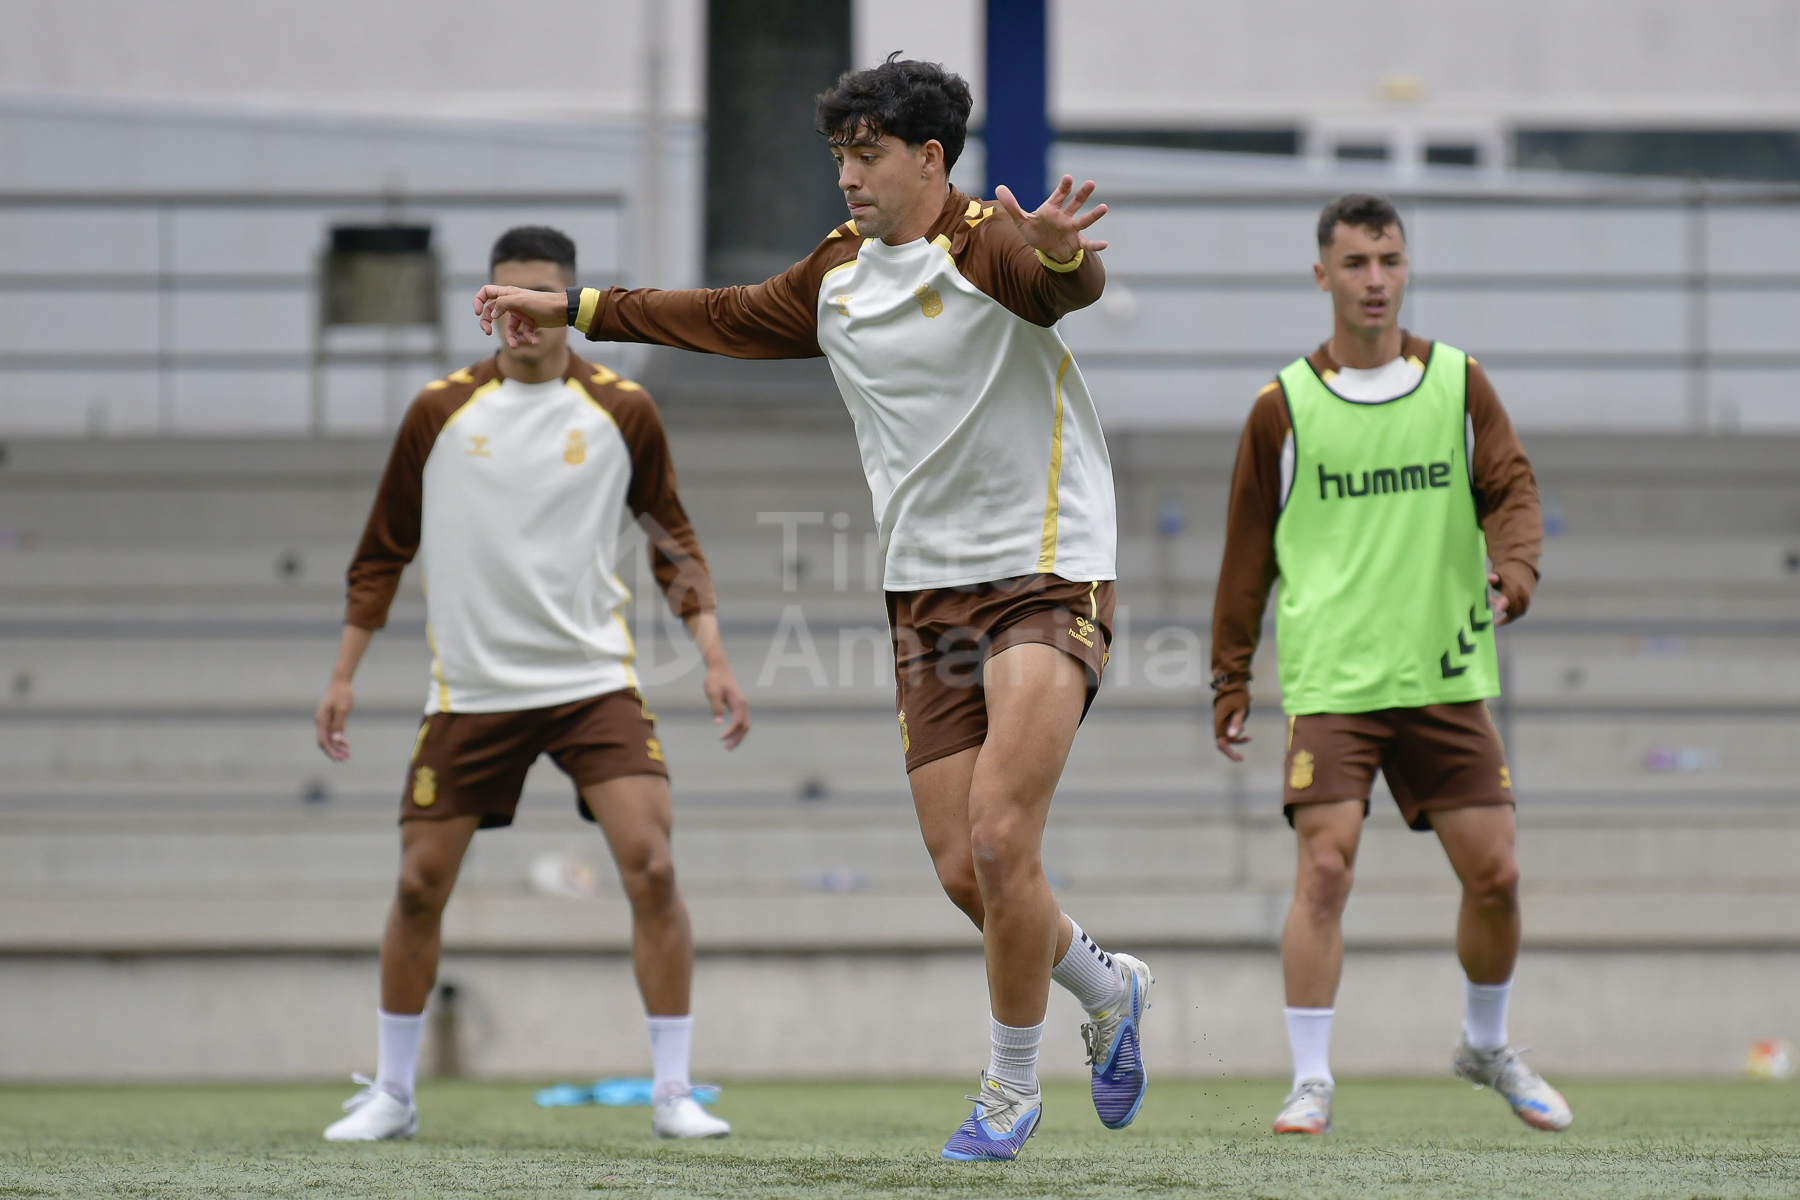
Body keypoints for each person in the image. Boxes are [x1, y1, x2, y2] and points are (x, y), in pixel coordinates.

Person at [474, 58, 1151, 1162]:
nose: (847, 174)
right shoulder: (835, 275)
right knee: (966, 872)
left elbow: (1058, 288)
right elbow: (712, 314)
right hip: (924, 594)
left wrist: (1069, 254)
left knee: (998, 835)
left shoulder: (989, 243)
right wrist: (575, 308)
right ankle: (1108, 987)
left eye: (867, 153)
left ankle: (1009, 1088)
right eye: (840, 154)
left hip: (1045, 572)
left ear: (929, 159)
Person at [314, 225, 749, 1142]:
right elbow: (382, 552)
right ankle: (393, 1092)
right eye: (500, 297)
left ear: (565, 304)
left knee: (653, 867)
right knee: (419, 885)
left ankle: (674, 1091)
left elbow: (672, 542)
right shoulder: (438, 411)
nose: (518, 314)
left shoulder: (623, 409)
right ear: (485, 305)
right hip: (472, 692)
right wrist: (344, 675)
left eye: (535, 297)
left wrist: (712, 655)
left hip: (592, 684)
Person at [1210, 193, 1569, 1136]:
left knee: (1497, 876)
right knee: (1325, 870)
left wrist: (1515, 569)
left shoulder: (1459, 384)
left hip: (1445, 672)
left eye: (1391, 261)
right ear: (1321, 274)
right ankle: (1311, 1079)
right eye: (1357, 263)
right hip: (1335, 681)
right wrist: (1229, 673)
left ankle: (1485, 1044)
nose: (1376, 280)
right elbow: (1246, 552)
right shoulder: (1282, 407)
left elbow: (1512, 489)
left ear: (1406, 269)